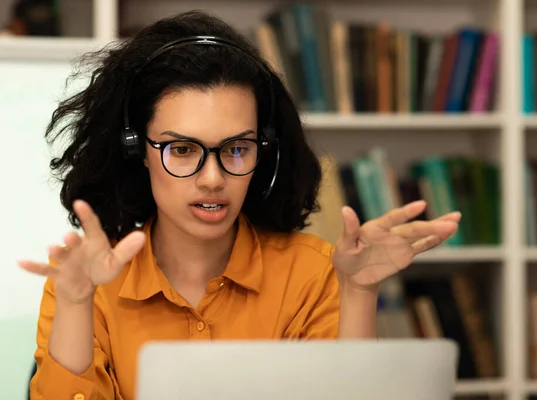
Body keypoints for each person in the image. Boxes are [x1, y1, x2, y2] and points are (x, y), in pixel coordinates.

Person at [17, 9, 461, 400]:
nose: (213, 180)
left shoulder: (313, 273)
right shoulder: (84, 285)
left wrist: (359, 292)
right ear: (139, 152)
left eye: (236, 149)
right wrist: (76, 303)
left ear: (261, 151)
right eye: (183, 150)